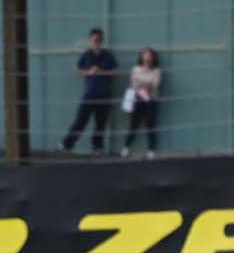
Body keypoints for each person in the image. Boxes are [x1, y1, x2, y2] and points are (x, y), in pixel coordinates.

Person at [61, 27, 119, 155]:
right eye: (95, 38)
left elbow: (116, 72)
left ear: (102, 40)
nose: (97, 41)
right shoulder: (86, 55)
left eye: (99, 39)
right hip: (89, 94)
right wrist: (89, 72)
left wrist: (101, 71)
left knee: (100, 123)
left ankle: (97, 147)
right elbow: (77, 70)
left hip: (104, 95)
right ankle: (67, 145)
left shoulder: (108, 55)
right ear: (90, 39)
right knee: (80, 120)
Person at [122, 47, 163, 158]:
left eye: (150, 55)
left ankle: (151, 150)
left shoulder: (156, 70)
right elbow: (134, 84)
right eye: (145, 55)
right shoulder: (135, 69)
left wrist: (141, 82)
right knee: (133, 124)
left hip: (151, 100)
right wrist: (146, 83)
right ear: (141, 57)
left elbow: (155, 84)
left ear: (153, 58)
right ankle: (126, 148)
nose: (147, 57)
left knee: (150, 124)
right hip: (138, 99)